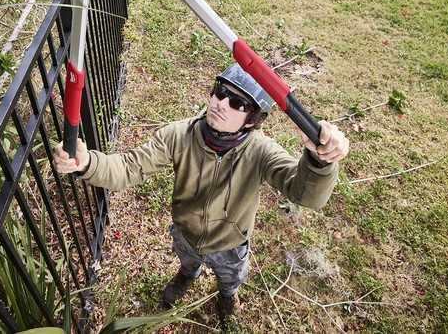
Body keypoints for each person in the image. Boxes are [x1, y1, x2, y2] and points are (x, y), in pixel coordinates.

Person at [53, 63, 349, 327]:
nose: (221, 103)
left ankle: (227, 296)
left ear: (252, 119)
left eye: (237, 102)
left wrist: (320, 162)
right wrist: (87, 162)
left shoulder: (261, 151)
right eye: (219, 92)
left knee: (230, 277)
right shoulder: (179, 135)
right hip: (187, 232)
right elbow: (129, 167)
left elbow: (304, 194)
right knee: (187, 260)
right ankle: (186, 274)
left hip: (231, 242)